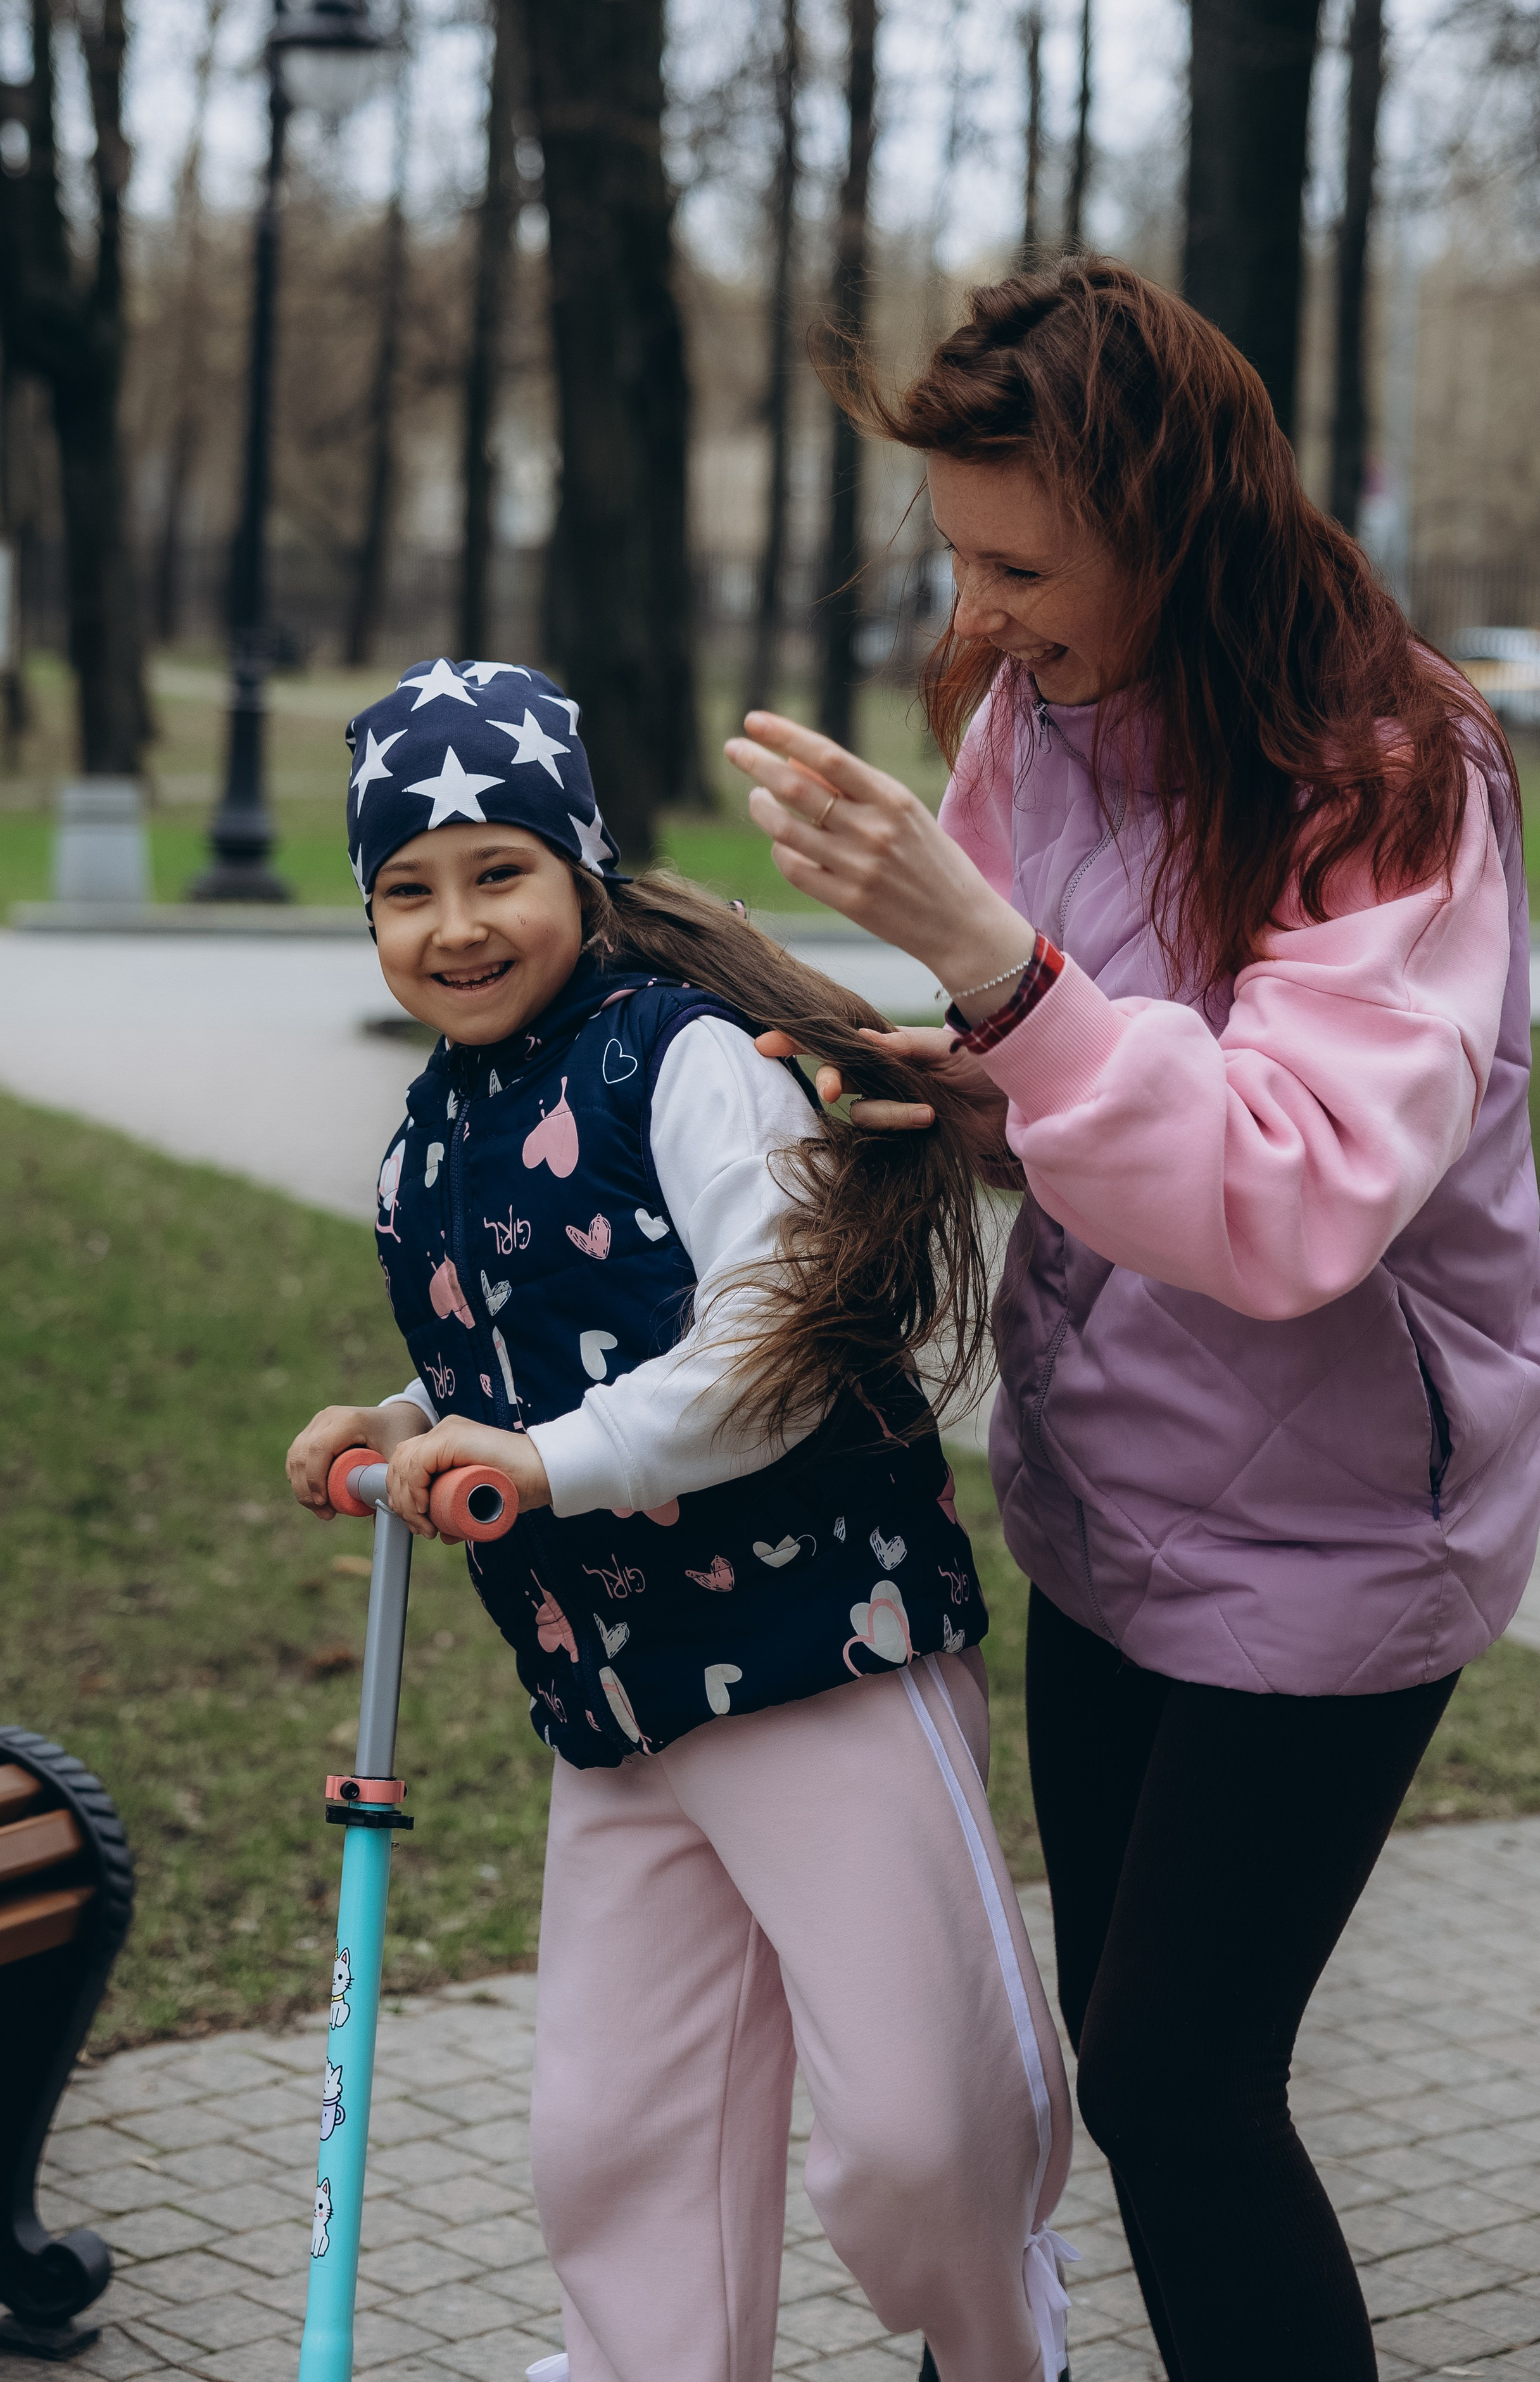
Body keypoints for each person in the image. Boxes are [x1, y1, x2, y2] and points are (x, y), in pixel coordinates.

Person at [725, 258, 1540, 2382]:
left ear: (1170, 521)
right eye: (958, 556)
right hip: (1112, 1497)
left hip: (1347, 1530)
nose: (981, 611)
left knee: (1183, 2086)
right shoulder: (1045, 710)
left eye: (1022, 559)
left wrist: (993, 973)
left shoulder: (1395, 772)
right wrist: (948, 1076)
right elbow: (1085, 1062)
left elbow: (1293, 1200)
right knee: (1127, 2062)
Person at [284, 659, 1075, 2382]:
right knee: (617, 2143)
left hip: (816, 1657)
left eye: (497, 871)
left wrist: (544, 1463)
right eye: (405, 891)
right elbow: (534, 1350)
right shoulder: (434, 1136)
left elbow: (768, 1353)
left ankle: (1006, 2344)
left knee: (925, 2124)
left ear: (581, 865)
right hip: (619, 1706)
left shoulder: (687, 1058)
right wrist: (405, 1421)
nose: (456, 926)